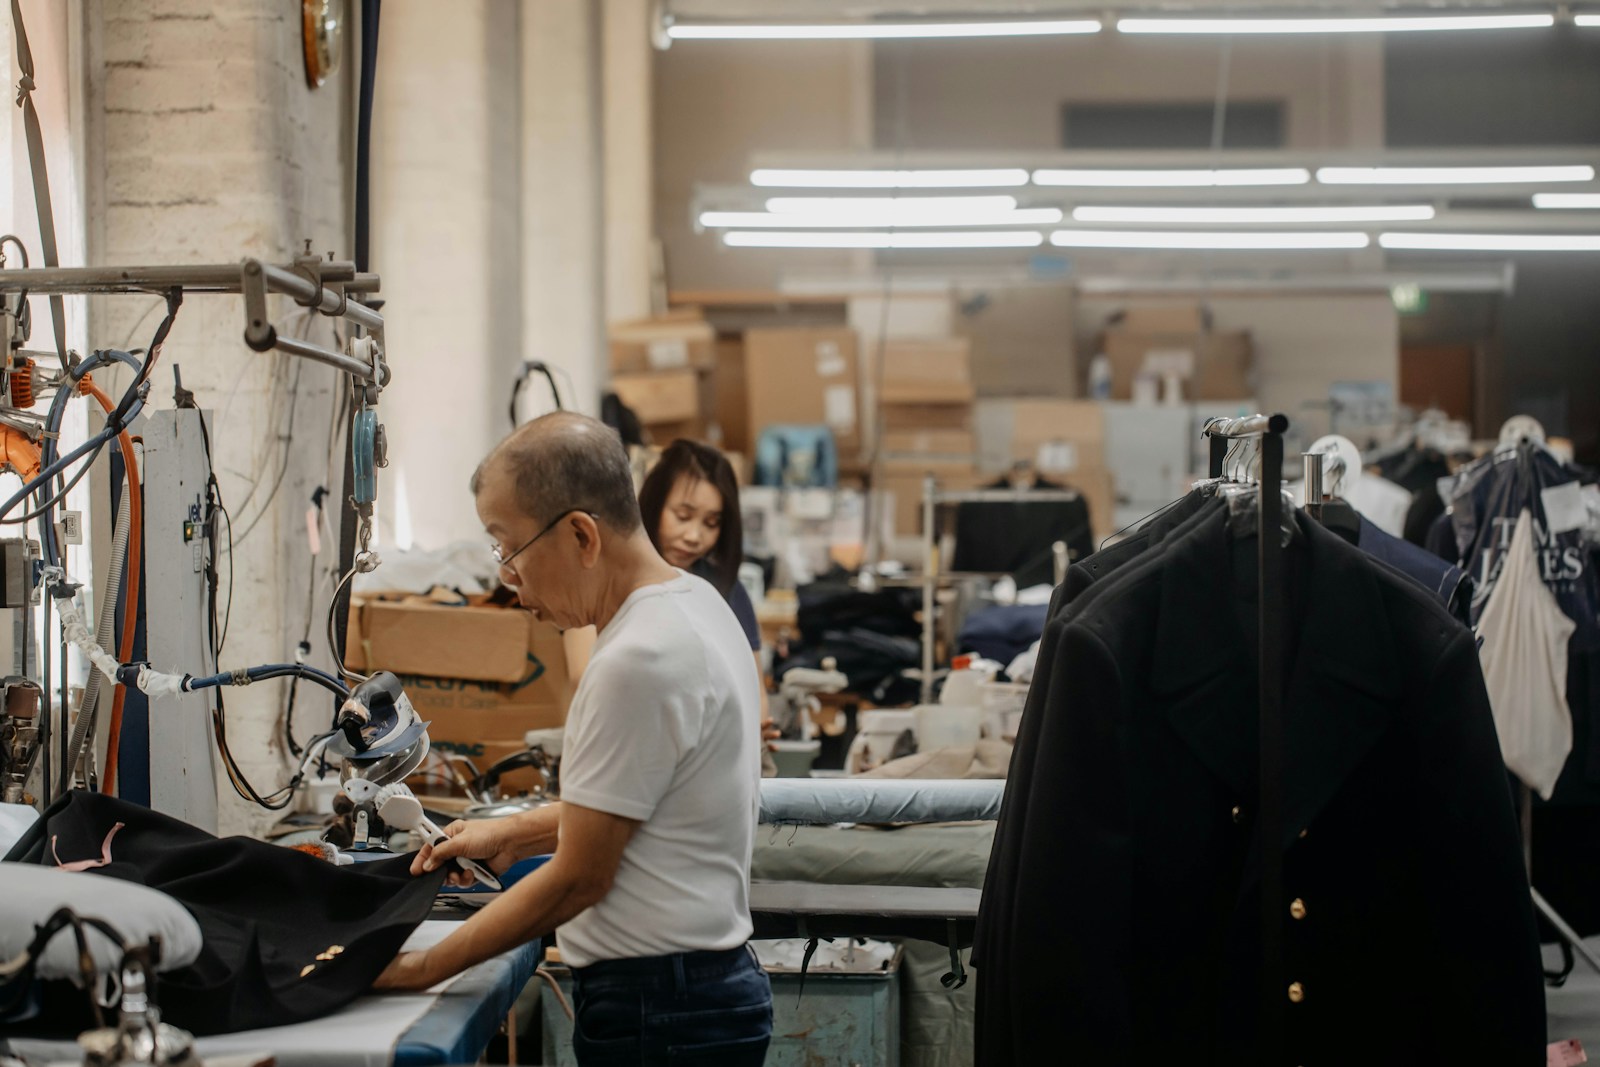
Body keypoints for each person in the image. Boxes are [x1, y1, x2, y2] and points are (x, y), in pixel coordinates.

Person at [375, 412, 772, 1065]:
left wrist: (418, 968)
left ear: (581, 534)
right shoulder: (698, 605)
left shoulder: (635, 661)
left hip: (660, 1009)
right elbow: (653, 800)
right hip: (698, 996)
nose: (508, 575)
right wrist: (513, 832)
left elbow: (580, 877)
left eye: (508, 546)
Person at [637, 440, 780, 772]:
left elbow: (755, 692)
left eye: (711, 523)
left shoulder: (726, 591)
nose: (694, 536)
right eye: (683, 516)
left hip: (717, 764)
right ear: (653, 503)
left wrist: (754, 730)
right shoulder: (616, 582)